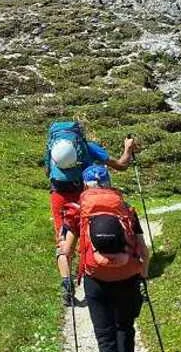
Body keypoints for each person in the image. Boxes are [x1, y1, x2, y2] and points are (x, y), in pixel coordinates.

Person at [58, 165, 149, 352]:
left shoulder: (78, 211)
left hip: (96, 278)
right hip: (127, 277)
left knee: (105, 336)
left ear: (85, 186)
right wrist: (143, 276)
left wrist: (66, 277)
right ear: (109, 183)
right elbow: (143, 250)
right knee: (125, 328)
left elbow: (66, 252)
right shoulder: (126, 209)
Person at [45, 119, 138, 299]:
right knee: (90, 232)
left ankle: (66, 283)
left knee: (63, 239)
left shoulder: (52, 148)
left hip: (59, 196)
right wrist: (128, 148)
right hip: (85, 195)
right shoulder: (89, 147)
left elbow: (48, 172)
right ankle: (99, 272)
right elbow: (121, 165)